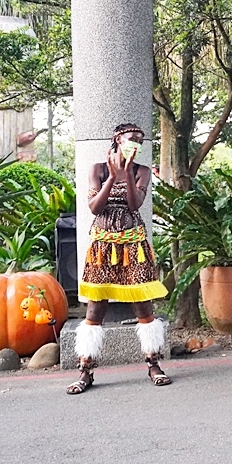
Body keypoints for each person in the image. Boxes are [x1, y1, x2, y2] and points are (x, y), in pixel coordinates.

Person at [67, 124, 170, 394]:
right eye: (130, 139)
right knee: (95, 308)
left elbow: (135, 205)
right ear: (117, 139)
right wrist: (112, 177)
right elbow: (93, 207)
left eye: (139, 140)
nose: (135, 143)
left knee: (143, 305)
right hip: (103, 245)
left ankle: (153, 364)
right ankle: (85, 369)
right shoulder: (98, 169)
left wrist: (126, 172)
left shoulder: (142, 171)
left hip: (133, 243)